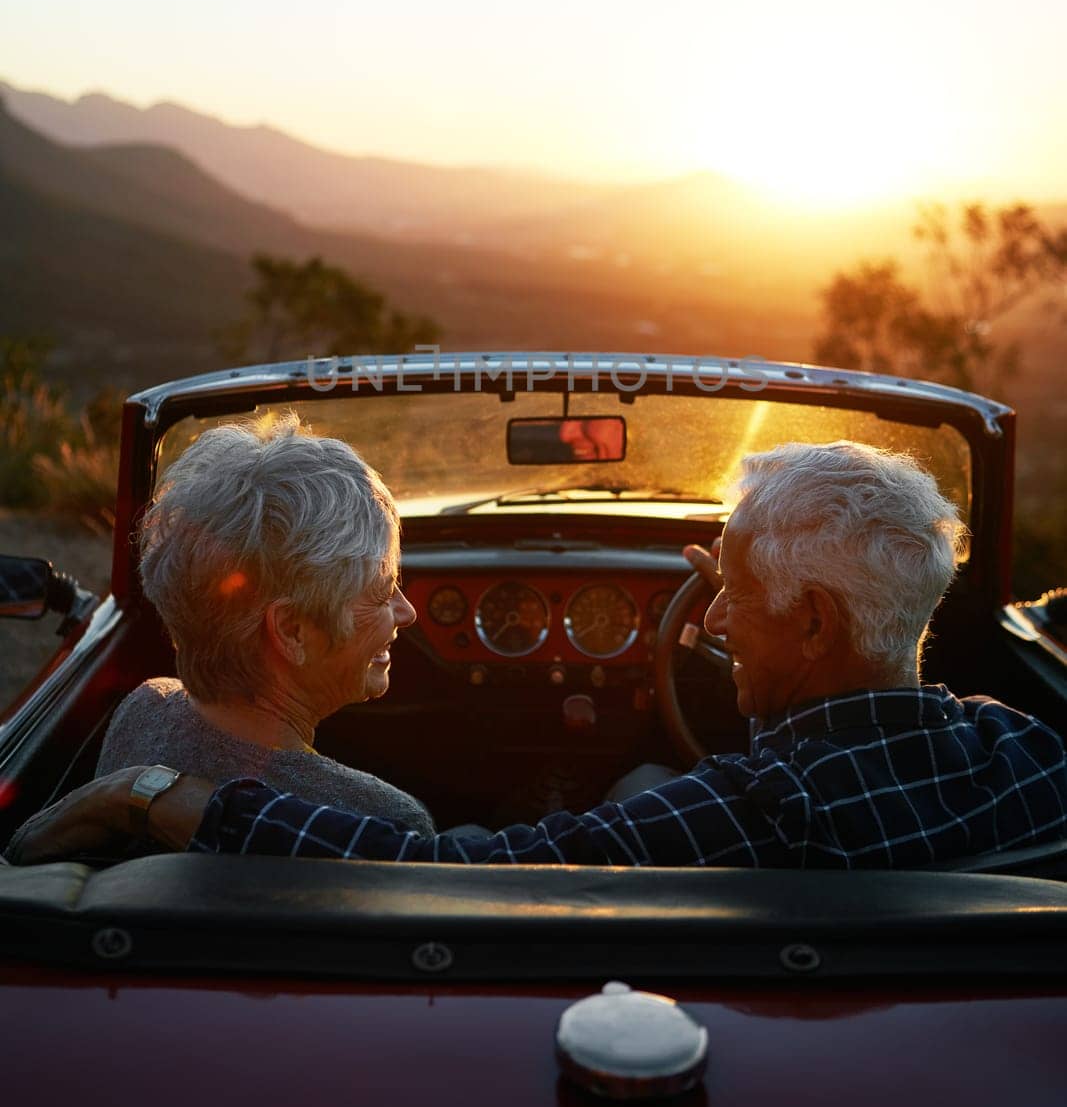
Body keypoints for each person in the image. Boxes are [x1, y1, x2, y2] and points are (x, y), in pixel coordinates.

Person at [9, 442, 1067, 868]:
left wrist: (156, 792)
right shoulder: (1028, 757)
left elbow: (446, 873)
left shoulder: (740, 814)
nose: (698, 622)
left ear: (812, 626)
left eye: (728, 593)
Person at [91, 415, 434, 838]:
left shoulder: (141, 712)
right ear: (292, 631)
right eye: (383, 593)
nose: (407, 612)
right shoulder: (380, 822)